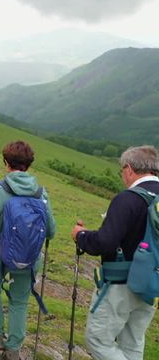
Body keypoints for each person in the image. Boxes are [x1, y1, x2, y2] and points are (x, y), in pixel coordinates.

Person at [0, 141, 56, 360]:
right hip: (28, 257)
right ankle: (14, 349)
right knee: (19, 301)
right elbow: (51, 231)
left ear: (6, 163)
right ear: (28, 165)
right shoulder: (41, 194)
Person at [71, 145, 159, 360]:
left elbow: (104, 242)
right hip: (152, 283)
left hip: (120, 283)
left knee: (98, 339)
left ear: (129, 168)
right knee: (133, 340)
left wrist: (81, 236)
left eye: (122, 170)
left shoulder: (128, 199)